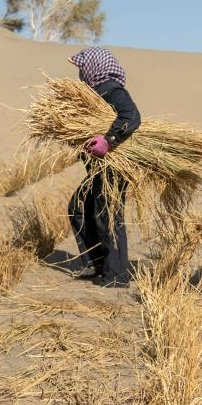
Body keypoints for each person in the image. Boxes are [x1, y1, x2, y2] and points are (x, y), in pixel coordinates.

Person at [66, 47, 141, 288]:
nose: (80, 73)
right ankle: (96, 262)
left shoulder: (111, 88)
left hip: (112, 170)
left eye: (82, 68)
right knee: (78, 207)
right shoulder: (94, 95)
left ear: (93, 67)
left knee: (108, 216)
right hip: (99, 168)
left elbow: (131, 116)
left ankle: (117, 276)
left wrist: (108, 140)